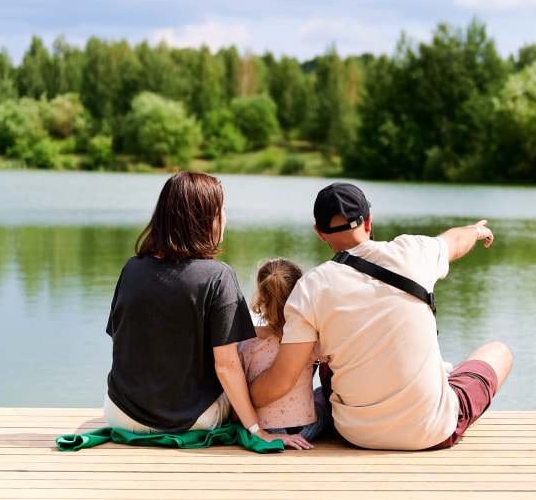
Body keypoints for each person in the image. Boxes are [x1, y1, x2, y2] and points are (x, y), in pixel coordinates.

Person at [249, 182, 513, 450]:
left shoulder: (311, 287)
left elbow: (281, 381)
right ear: (369, 221)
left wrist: (237, 400)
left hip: (355, 435)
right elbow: (455, 241)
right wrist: (477, 230)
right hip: (431, 431)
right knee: (499, 352)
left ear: (320, 233)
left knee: (328, 349)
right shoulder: (415, 252)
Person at [103, 171, 307, 449]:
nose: (224, 218)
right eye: (221, 211)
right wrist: (256, 430)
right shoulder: (217, 276)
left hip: (121, 415)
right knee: (238, 363)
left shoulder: (131, 268)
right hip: (191, 420)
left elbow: (123, 337)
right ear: (205, 221)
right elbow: (226, 365)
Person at [238, 258, 331, 443]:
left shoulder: (245, 340)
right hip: (302, 430)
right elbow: (331, 358)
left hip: (256, 427)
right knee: (324, 394)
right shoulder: (310, 340)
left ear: (261, 296)